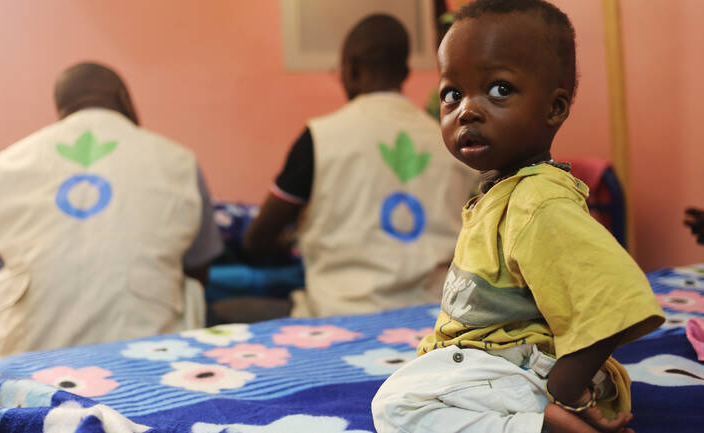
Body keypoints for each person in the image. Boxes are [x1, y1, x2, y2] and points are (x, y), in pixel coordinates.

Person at [371, 1, 664, 433]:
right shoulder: (506, 191)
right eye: (453, 93)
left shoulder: (537, 201)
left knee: (397, 406)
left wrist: (567, 384)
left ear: (555, 108)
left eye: (499, 89)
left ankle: (541, 424)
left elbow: (617, 295)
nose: (466, 109)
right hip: (506, 365)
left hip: (529, 371)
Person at [0, 62, 223, 379]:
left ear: (61, 108)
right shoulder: (179, 161)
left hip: (27, 364)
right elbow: (197, 274)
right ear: (124, 98)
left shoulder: (2, 166)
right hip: (150, 361)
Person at [243, 14, 478, 319]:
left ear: (351, 69)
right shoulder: (450, 140)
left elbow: (256, 240)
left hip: (338, 315)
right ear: (405, 72)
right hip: (435, 317)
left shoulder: (320, 137)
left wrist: (295, 241)